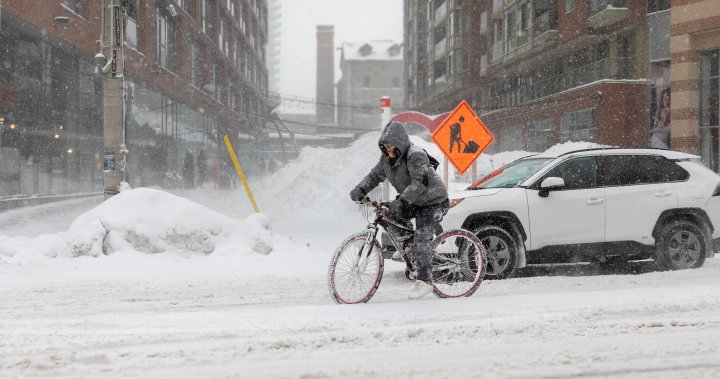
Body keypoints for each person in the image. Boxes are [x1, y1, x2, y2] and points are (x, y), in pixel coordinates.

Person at [349, 121, 449, 300]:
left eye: (390, 146)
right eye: (385, 147)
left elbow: (421, 182)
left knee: (422, 237)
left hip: (434, 200)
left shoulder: (415, 155)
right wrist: (361, 189)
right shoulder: (386, 160)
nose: (387, 150)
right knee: (388, 215)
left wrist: (402, 200)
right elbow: (374, 176)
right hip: (414, 200)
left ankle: (425, 281)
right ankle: (409, 247)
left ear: (400, 144)